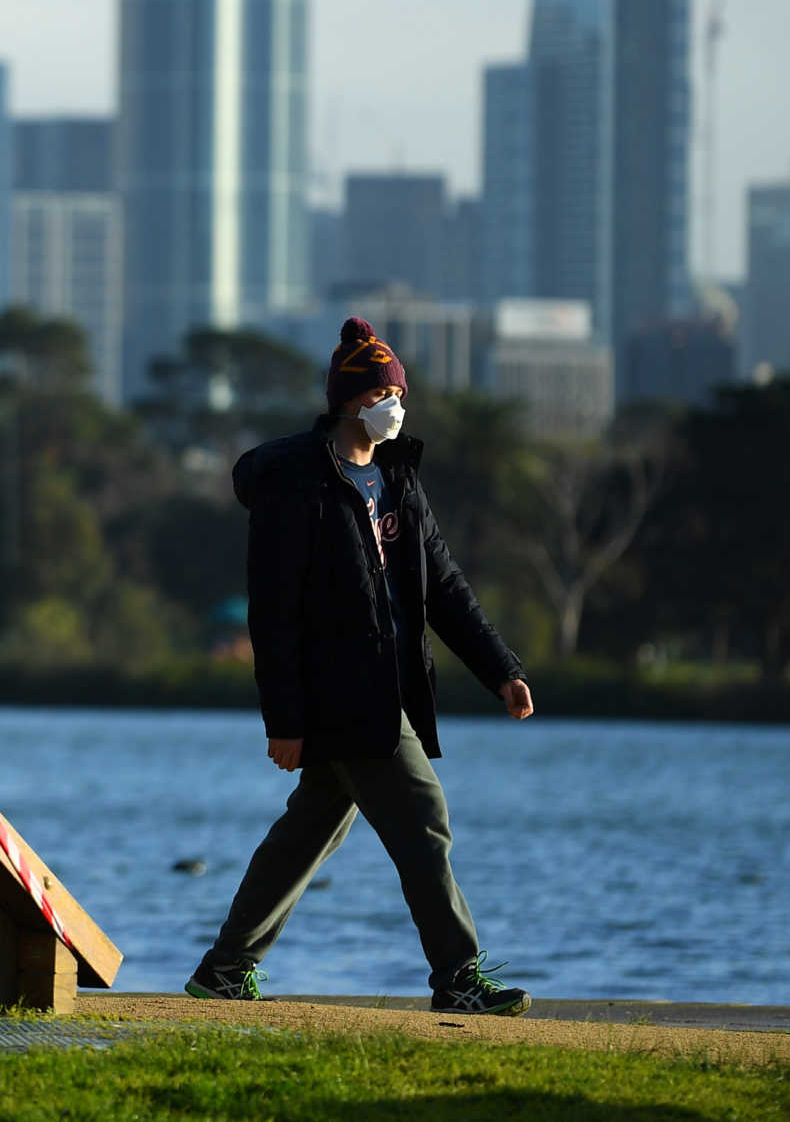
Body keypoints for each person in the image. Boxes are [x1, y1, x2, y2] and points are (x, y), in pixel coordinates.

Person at [185, 317, 537, 1015]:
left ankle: (225, 968)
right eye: (381, 391)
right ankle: (458, 977)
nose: (395, 403)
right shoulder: (299, 485)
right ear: (347, 400)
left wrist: (501, 669)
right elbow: (273, 614)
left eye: (398, 390)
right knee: (424, 814)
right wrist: (284, 719)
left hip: (388, 688)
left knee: (311, 828)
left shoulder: (399, 480)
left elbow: (446, 587)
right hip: (340, 695)